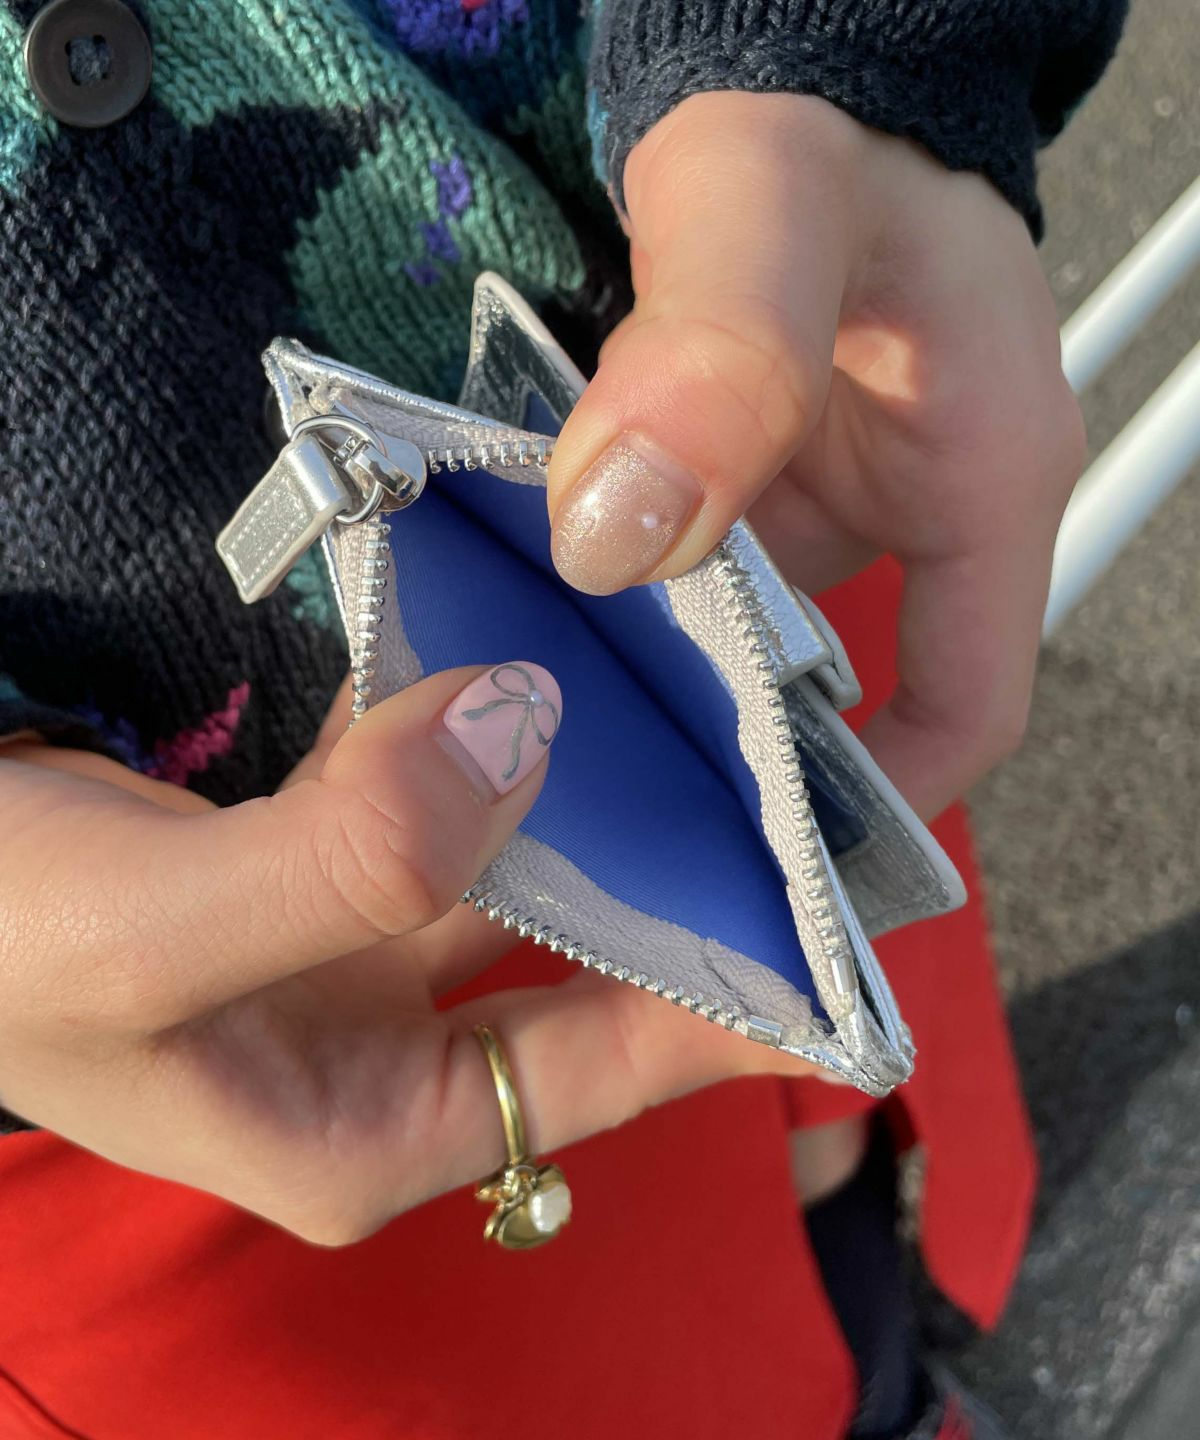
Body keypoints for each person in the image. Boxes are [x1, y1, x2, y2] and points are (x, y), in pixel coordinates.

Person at [0, 1, 1127, 1437]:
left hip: (736, 495)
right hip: (137, 1029)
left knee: (824, 1099)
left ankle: (882, 1357)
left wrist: (839, 59)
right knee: (607, 1357)